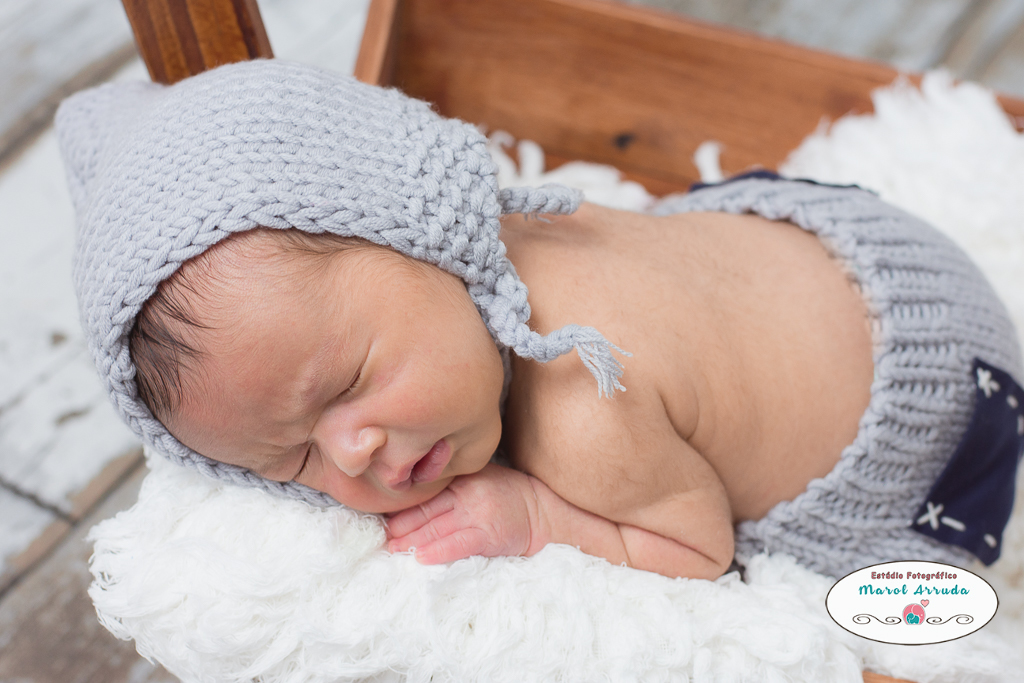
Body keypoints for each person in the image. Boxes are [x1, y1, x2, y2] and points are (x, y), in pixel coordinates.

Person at [56, 59, 1024, 581]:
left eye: (347, 382)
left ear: (424, 231)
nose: (351, 451)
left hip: (942, 415)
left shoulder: (583, 413)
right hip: (855, 248)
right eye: (292, 461)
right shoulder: (513, 227)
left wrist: (535, 516)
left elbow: (702, 551)